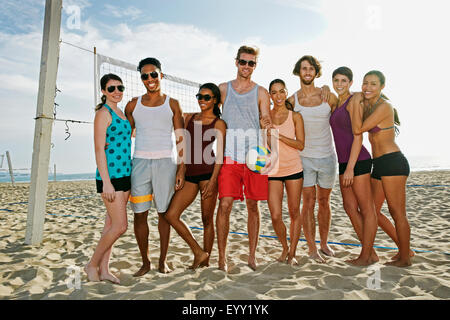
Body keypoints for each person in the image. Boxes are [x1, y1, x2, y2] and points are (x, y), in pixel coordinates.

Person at [124, 57, 185, 276]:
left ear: (161, 75)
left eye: (153, 74)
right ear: (141, 78)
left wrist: (181, 168)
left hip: (165, 164)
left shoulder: (173, 104)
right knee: (140, 215)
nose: (150, 79)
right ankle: (145, 262)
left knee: (163, 214)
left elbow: (180, 139)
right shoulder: (132, 105)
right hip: (139, 164)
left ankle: (163, 261)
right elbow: (123, 136)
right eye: (144, 75)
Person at [216, 45, 272, 272]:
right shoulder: (223, 89)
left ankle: (251, 256)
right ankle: (221, 258)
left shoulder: (261, 92)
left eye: (251, 63)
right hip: (230, 156)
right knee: (225, 205)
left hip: (255, 156)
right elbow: (208, 113)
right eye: (243, 62)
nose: (246, 66)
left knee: (252, 206)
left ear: (255, 65)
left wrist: (266, 123)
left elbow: (265, 118)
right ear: (236, 62)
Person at [352, 70, 412, 267]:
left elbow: (359, 128)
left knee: (397, 213)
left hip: (393, 162)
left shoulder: (385, 106)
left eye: (373, 84)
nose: (368, 87)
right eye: (365, 83)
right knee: (372, 212)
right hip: (378, 164)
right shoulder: (369, 104)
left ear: (382, 87)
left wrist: (354, 103)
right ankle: (405, 250)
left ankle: (404, 259)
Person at [164, 83, 226, 269]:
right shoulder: (188, 117)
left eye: (207, 97)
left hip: (208, 175)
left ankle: (204, 263)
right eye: (199, 96)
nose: (202, 100)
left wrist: (213, 181)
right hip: (189, 173)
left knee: (207, 220)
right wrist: (181, 169)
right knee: (171, 215)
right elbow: (180, 143)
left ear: (215, 100)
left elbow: (220, 156)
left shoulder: (219, 123)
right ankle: (199, 252)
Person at [287, 55, 337, 263]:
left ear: (316, 72)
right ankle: (312, 248)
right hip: (304, 158)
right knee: (307, 203)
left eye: (311, 69)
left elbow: (342, 117)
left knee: (324, 202)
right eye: (303, 68)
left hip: (327, 156)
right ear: (298, 72)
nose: (307, 72)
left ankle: (324, 243)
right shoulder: (292, 101)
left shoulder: (328, 96)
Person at [85, 73, 131, 284]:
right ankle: (92, 264)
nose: (116, 92)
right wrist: (106, 182)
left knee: (110, 225)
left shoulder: (121, 112)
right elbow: (98, 149)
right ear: (103, 91)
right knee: (121, 226)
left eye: (120, 87)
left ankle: (104, 269)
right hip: (110, 177)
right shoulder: (103, 114)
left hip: (126, 173)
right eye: (111, 88)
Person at [329, 67, 378, 266]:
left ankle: (365, 255)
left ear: (350, 82)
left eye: (344, 81)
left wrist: (350, 168)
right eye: (336, 80)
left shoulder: (354, 100)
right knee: (349, 207)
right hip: (343, 162)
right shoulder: (337, 102)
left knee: (367, 209)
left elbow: (358, 135)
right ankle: (370, 252)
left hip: (358, 161)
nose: (339, 84)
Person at [266, 79, 305, 265]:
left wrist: (279, 136)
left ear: (286, 92)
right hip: (273, 170)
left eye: (282, 91)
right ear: (270, 96)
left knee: (294, 212)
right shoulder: (265, 117)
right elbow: (266, 145)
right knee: (275, 215)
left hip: (293, 168)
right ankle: (284, 247)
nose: (279, 96)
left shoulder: (295, 116)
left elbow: (301, 144)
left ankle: (293, 253)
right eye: (274, 92)